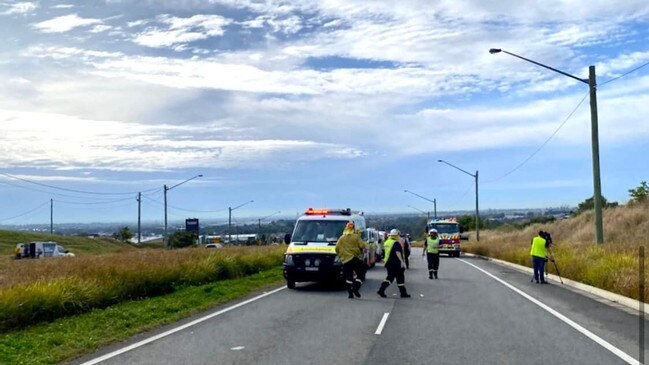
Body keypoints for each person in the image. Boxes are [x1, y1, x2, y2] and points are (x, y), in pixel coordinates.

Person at [335, 221, 368, 299]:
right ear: (353, 228)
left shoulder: (341, 238)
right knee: (362, 273)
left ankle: (350, 293)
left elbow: (336, 248)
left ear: (346, 228)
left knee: (349, 276)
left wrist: (340, 256)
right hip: (354, 258)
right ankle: (355, 288)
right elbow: (362, 245)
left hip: (345, 260)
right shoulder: (356, 236)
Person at [377, 229, 411, 298]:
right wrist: (402, 262)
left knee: (392, 277)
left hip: (388, 263)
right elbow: (397, 252)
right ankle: (381, 290)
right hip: (396, 263)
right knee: (397, 278)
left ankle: (403, 293)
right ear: (397, 235)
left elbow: (383, 251)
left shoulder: (387, 242)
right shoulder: (395, 243)